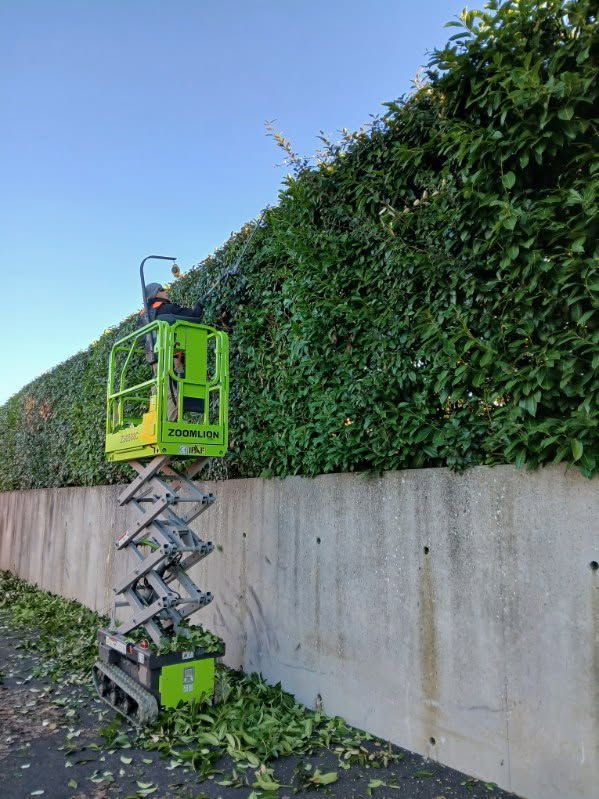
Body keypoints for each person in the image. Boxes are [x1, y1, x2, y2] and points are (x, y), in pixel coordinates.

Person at [142, 283, 205, 421]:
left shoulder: (143, 317)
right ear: (155, 294)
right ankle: (172, 428)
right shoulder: (166, 308)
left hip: (154, 361)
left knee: (158, 393)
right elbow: (195, 317)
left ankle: (157, 424)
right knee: (172, 393)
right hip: (170, 358)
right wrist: (200, 305)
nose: (166, 292)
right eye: (162, 289)